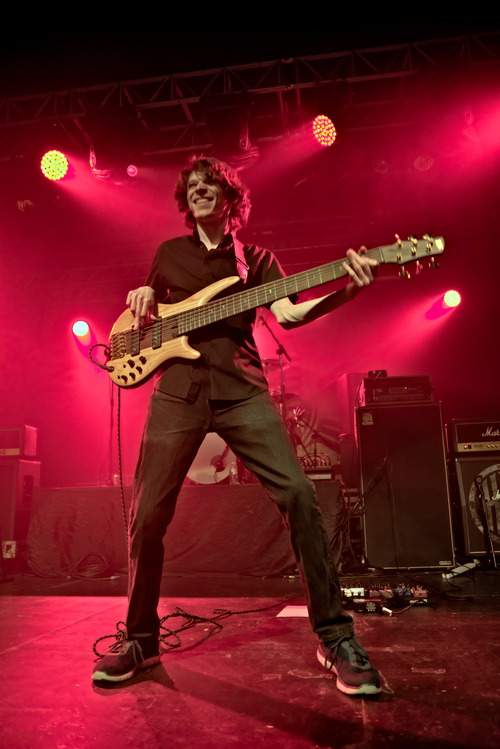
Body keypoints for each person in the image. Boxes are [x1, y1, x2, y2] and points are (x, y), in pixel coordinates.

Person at [92, 155, 381, 696]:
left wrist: (348, 289)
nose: (199, 190)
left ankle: (335, 636)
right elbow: (142, 319)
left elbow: (289, 315)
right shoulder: (168, 254)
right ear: (186, 201)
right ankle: (140, 639)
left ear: (230, 199)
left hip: (242, 390)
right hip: (178, 393)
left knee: (299, 496)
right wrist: (143, 294)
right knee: (147, 514)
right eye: (192, 186)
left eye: (210, 184)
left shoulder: (258, 260)